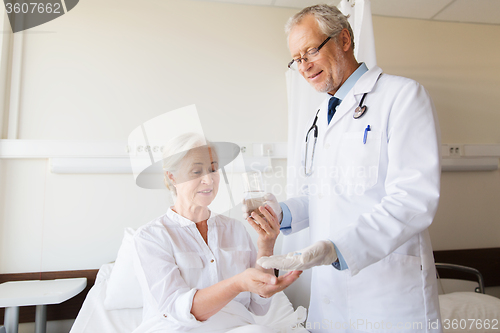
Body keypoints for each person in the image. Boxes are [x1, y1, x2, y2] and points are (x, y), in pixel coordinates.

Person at [256, 4, 442, 333]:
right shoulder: (319, 117)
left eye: (310, 50)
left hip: (387, 293)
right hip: (330, 297)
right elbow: (320, 195)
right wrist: (280, 213)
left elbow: (414, 200)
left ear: (344, 40)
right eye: (296, 58)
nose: (304, 66)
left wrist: (338, 248)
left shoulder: (401, 96)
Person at [131, 133, 302, 333]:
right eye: (196, 171)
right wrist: (238, 283)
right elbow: (180, 310)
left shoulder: (235, 230)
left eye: (213, 169)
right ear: (172, 176)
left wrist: (266, 245)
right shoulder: (151, 237)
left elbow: (259, 306)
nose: (209, 180)